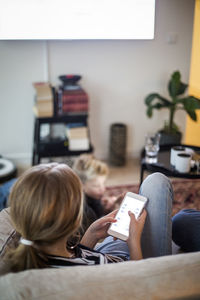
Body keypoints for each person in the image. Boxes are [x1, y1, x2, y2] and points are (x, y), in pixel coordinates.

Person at [5, 163, 173, 272]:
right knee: (157, 182)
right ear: (74, 221)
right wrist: (134, 242)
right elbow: (138, 285)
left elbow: (72, 257)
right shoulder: (91, 271)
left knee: (133, 227)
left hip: (95, 254)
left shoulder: (30, 255)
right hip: (133, 267)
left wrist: (90, 236)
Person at [72, 154, 117, 234]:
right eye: (96, 186)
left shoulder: (91, 196)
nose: (103, 189)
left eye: (104, 183)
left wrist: (104, 205)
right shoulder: (86, 212)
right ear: (81, 185)